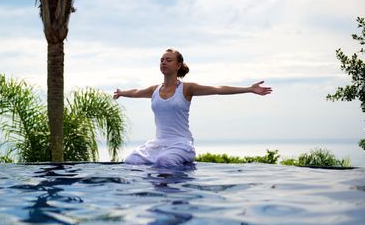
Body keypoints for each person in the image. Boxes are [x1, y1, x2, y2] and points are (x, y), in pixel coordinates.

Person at [113, 48, 272, 167]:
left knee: (164, 161)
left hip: (181, 143)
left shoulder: (187, 88)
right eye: (162, 59)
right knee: (131, 161)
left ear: (178, 65)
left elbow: (218, 90)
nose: (163, 62)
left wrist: (249, 89)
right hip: (159, 144)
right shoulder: (154, 90)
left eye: (168, 60)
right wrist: (122, 92)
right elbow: (136, 92)